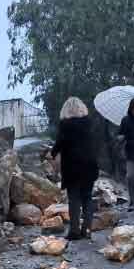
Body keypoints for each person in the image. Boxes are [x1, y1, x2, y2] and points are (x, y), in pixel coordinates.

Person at [51, 97, 99, 240]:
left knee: (74, 199)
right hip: (89, 165)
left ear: (65, 110)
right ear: (82, 108)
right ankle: (88, 230)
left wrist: (53, 153)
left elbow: (59, 143)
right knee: (87, 197)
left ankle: (74, 231)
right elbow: (94, 143)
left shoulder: (65, 125)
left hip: (72, 167)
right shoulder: (89, 123)